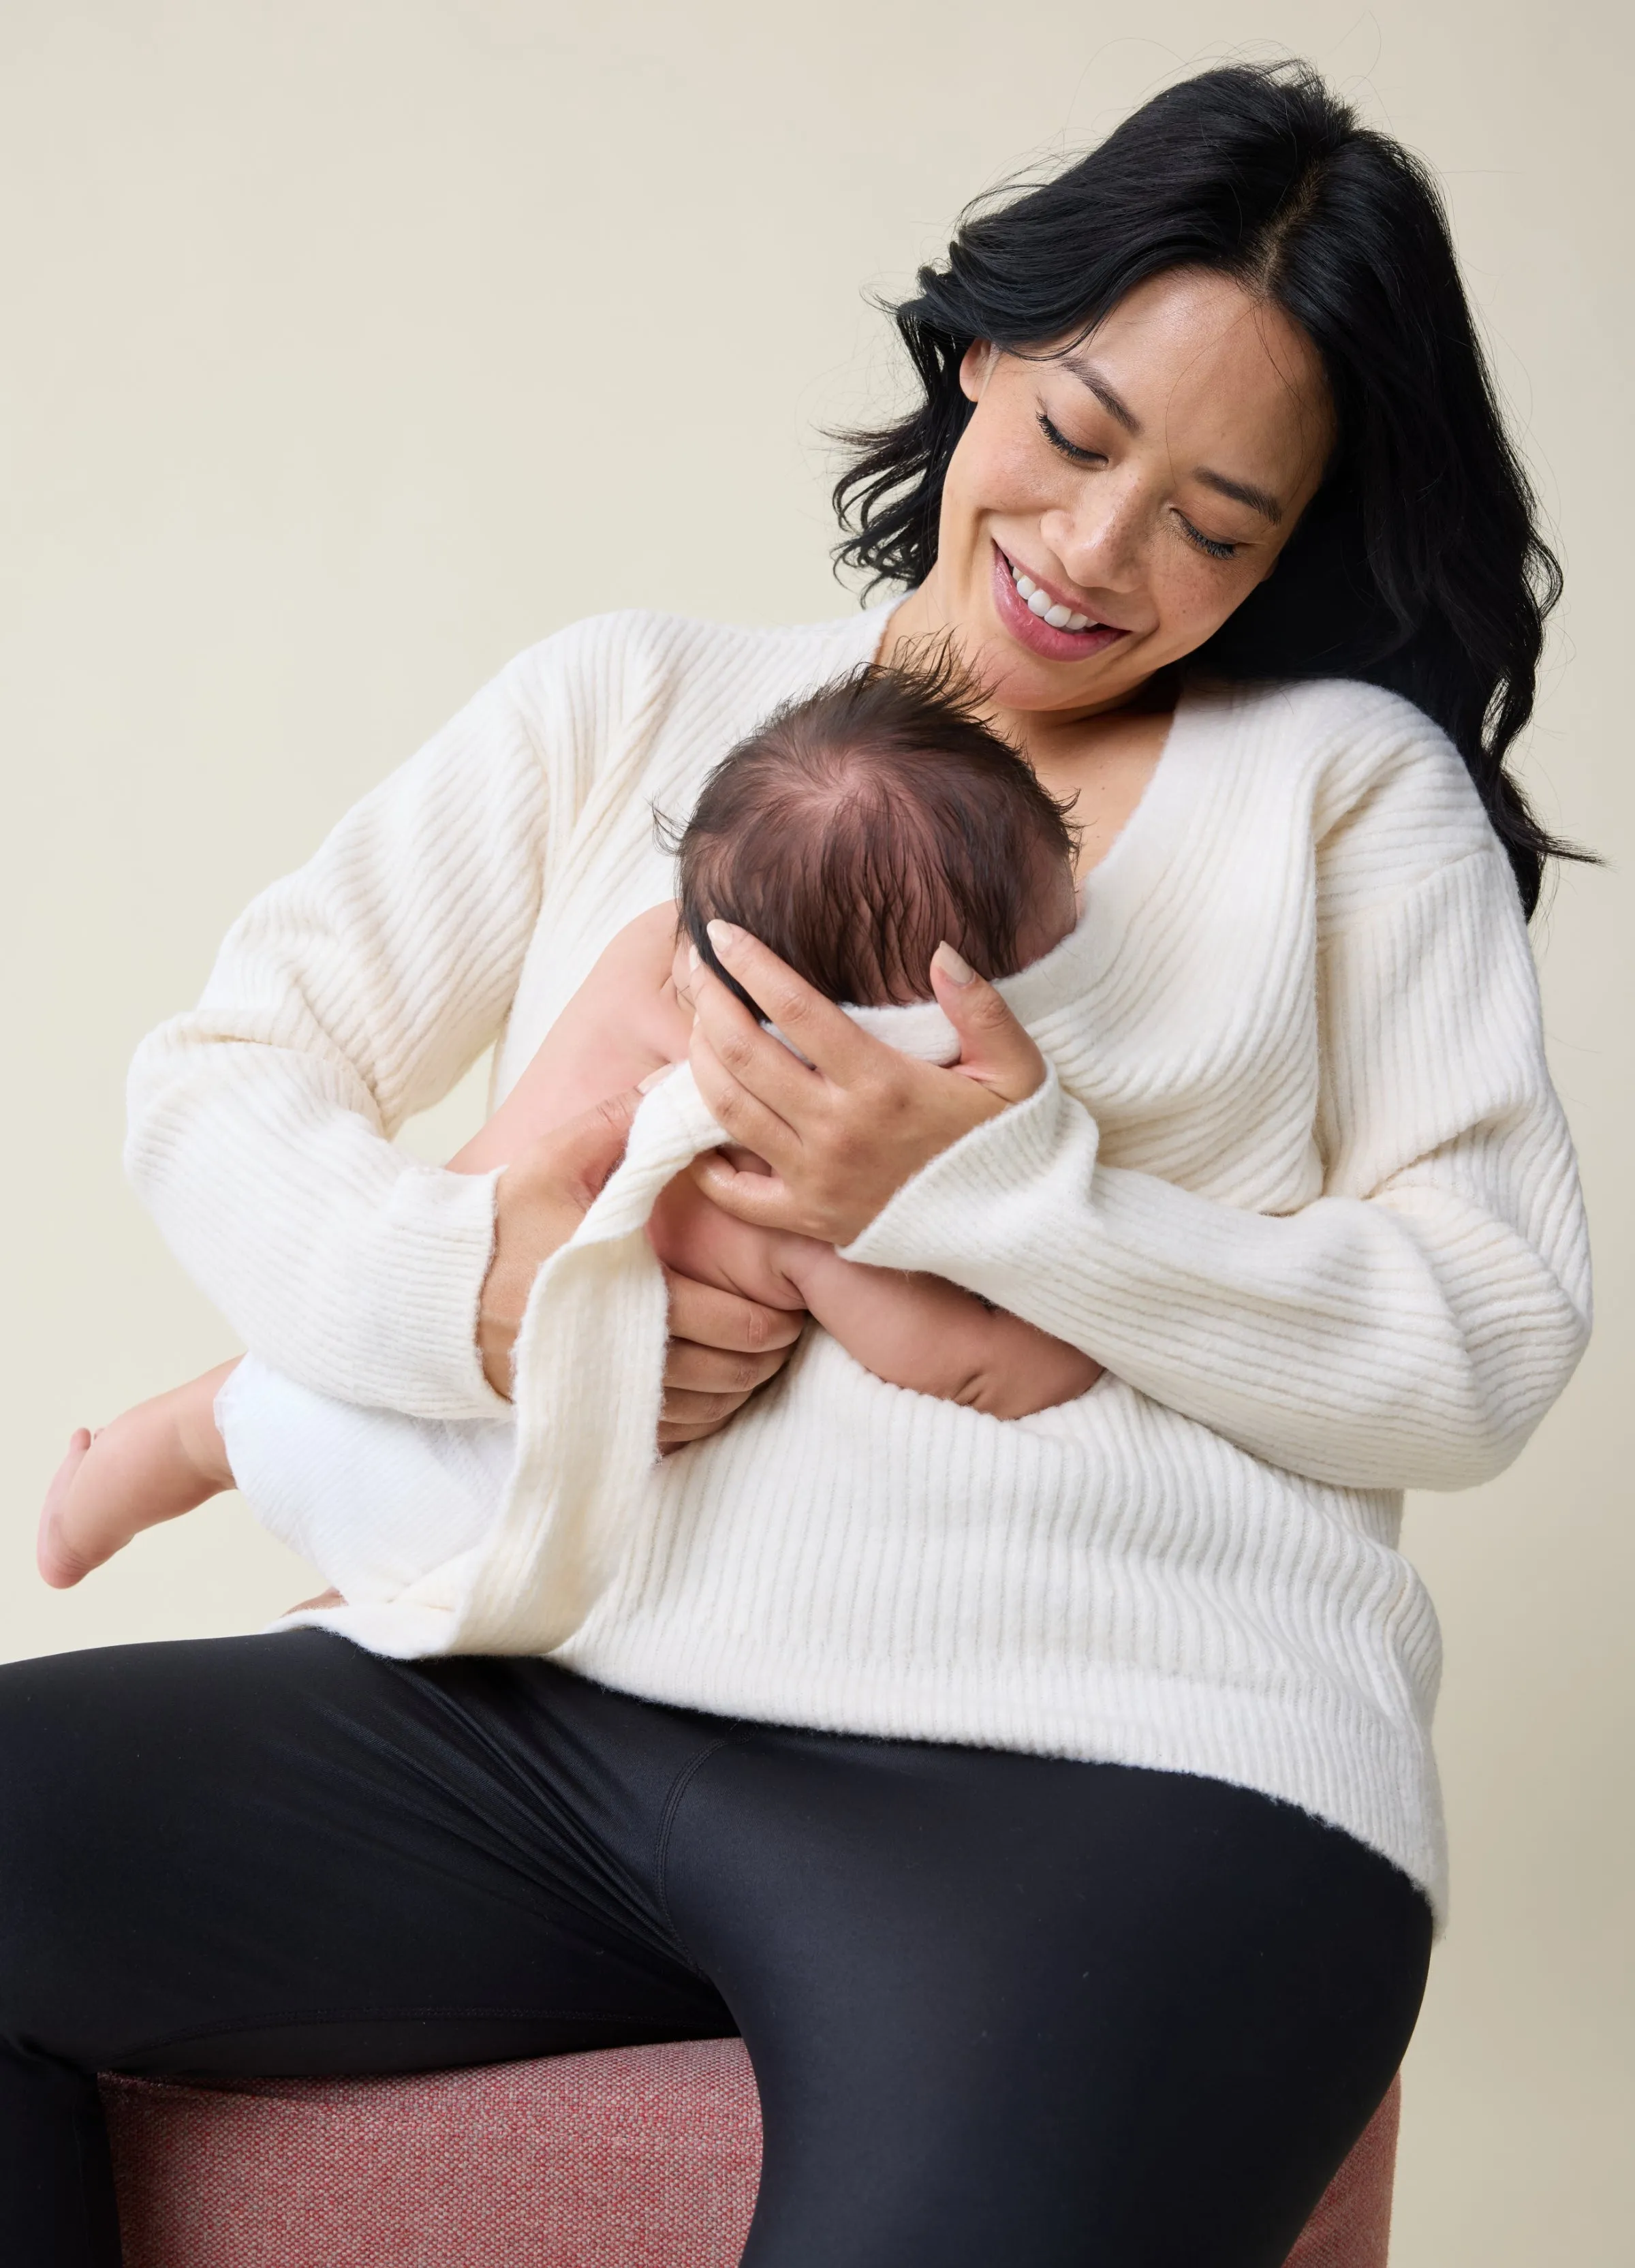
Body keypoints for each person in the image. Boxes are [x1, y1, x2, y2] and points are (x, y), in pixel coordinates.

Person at [0, 61, 1591, 2268]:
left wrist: (998, 1191)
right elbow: (216, 1076)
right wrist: (465, 1290)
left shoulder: (1343, 790)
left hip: (1126, 1770)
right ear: (982, 352)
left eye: (1219, 522)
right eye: (1078, 430)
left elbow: (1488, 1333)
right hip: (544, 1705)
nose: (1101, 552)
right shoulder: (637, 702)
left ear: (1297, 538)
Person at [35, 661, 1097, 1597]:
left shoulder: (648, 952)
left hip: (347, 1357)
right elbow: (969, 1368)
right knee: (405, 1621)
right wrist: (1069, 1325)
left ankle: (90, 1501)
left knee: (212, 1425)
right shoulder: (789, 1181)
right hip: (475, 1493)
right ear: (889, 1041)